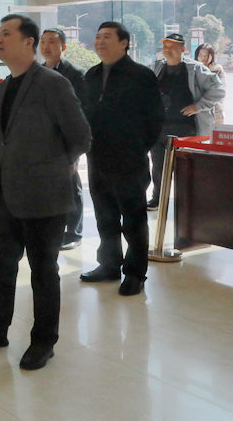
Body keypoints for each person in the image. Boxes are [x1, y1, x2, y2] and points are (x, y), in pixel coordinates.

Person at [0, 15, 90, 371]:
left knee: (43, 272)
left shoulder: (53, 84)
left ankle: (43, 341)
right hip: (5, 194)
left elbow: (80, 136)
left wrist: (55, 167)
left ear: (28, 42)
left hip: (44, 197)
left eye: (6, 34)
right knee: (0, 268)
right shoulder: (3, 88)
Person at [80, 21, 163, 297]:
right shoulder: (92, 75)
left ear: (124, 42)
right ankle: (109, 264)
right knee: (105, 216)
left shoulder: (141, 75)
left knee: (133, 219)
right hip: (97, 158)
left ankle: (135, 273)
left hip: (129, 160)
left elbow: (155, 119)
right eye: (98, 37)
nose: (100, 41)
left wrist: (136, 147)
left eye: (107, 37)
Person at [147, 33, 225, 210]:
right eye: (165, 46)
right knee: (158, 166)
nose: (167, 50)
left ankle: (189, 202)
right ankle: (158, 198)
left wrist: (199, 106)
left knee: (186, 168)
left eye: (172, 46)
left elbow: (218, 90)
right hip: (159, 128)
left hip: (186, 129)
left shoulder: (196, 69)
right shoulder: (156, 67)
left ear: (183, 49)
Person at [39, 28, 87, 250]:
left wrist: (75, 150)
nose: (46, 46)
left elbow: (81, 112)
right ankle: (51, 228)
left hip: (66, 141)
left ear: (63, 47)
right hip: (42, 140)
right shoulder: (37, 73)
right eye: (43, 42)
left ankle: (73, 232)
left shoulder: (75, 74)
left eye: (52, 42)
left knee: (70, 186)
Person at [194, 42, 226, 125]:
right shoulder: (193, 70)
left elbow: (220, 89)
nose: (203, 58)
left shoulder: (217, 69)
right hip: (197, 112)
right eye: (200, 55)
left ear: (212, 56)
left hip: (216, 111)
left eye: (206, 55)